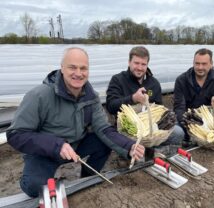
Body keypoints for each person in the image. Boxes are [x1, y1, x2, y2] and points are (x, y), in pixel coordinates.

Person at [6, 47, 145, 198]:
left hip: (75, 145)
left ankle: (86, 177)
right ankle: (36, 179)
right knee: (35, 187)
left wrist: (128, 146)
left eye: (83, 68)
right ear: (62, 68)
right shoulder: (39, 95)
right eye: (72, 67)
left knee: (104, 142)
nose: (78, 73)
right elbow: (15, 134)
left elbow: (104, 128)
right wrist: (56, 145)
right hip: (44, 151)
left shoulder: (91, 97)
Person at [106, 46, 184, 145]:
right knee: (119, 141)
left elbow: (159, 108)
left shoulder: (154, 83)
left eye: (143, 64)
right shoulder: (118, 80)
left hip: (151, 127)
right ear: (129, 62)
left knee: (178, 133)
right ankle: (140, 151)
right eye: (136, 63)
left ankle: (151, 149)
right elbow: (111, 106)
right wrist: (133, 98)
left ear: (147, 65)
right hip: (128, 130)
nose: (139, 67)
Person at [173, 48, 214, 144]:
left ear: (211, 64)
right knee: (176, 131)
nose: (200, 67)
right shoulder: (181, 80)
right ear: (193, 63)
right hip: (188, 122)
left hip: (211, 122)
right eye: (197, 63)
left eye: (204, 64)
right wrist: (193, 127)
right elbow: (179, 108)